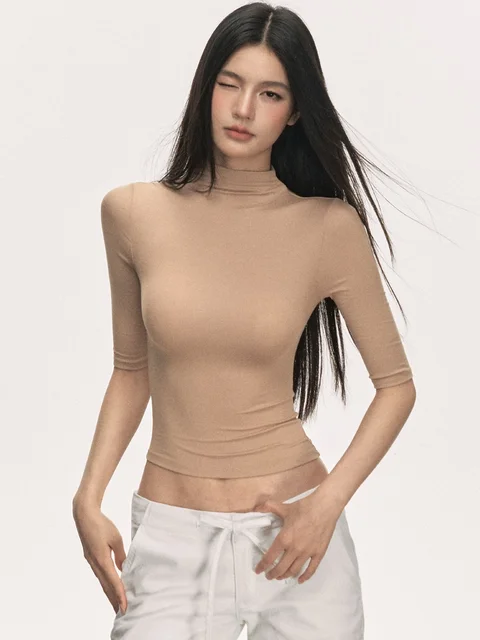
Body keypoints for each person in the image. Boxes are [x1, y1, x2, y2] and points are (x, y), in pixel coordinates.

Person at [72, 3, 416, 639]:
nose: (243, 108)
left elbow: (397, 387)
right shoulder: (132, 214)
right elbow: (131, 370)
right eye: (229, 84)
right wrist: (87, 498)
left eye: (270, 93)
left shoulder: (328, 228)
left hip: (296, 542)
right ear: (206, 87)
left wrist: (325, 507)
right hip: (172, 537)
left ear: (296, 111)